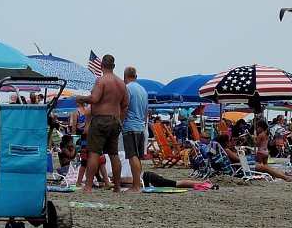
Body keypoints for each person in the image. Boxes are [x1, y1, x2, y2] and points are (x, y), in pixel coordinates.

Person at [75, 54, 128, 193]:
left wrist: (80, 97)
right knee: (113, 154)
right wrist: (120, 121)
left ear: (101, 65)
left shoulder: (101, 80)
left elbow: (94, 98)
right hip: (115, 120)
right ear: (114, 66)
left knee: (93, 153)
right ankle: (116, 187)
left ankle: (87, 187)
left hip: (100, 120)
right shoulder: (121, 83)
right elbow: (125, 105)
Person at [212, 134, 292, 181]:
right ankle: (285, 177)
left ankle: (282, 176)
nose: (231, 142)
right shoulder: (226, 150)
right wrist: (247, 157)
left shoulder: (225, 150)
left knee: (264, 167)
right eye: (229, 141)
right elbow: (238, 160)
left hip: (240, 166)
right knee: (265, 167)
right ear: (226, 142)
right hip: (241, 167)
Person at [121, 65, 149, 193]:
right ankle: (139, 183)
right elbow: (146, 112)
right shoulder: (143, 90)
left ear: (124, 76)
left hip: (130, 125)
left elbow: (125, 107)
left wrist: (120, 121)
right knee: (138, 156)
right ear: (136, 77)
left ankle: (136, 185)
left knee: (132, 156)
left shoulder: (127, 89)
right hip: (140, 126)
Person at [141, 170, 214, 189]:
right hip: (148, 177)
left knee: (177, 184)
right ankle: (202, 182)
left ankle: (203, 182)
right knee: (177, 184)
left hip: (149, 178)